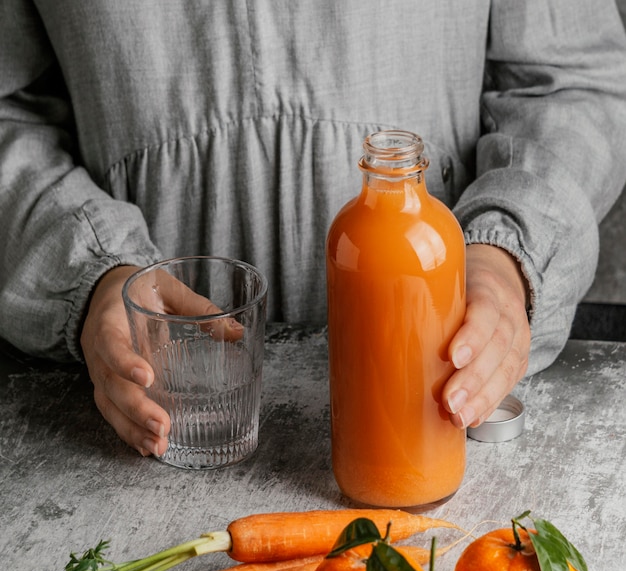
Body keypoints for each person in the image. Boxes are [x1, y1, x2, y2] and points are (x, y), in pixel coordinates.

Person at [1, 1, 626, 458]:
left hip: (438, 411)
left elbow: (572, 84)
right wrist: (93, 271)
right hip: (146, 415)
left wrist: (501, 260)